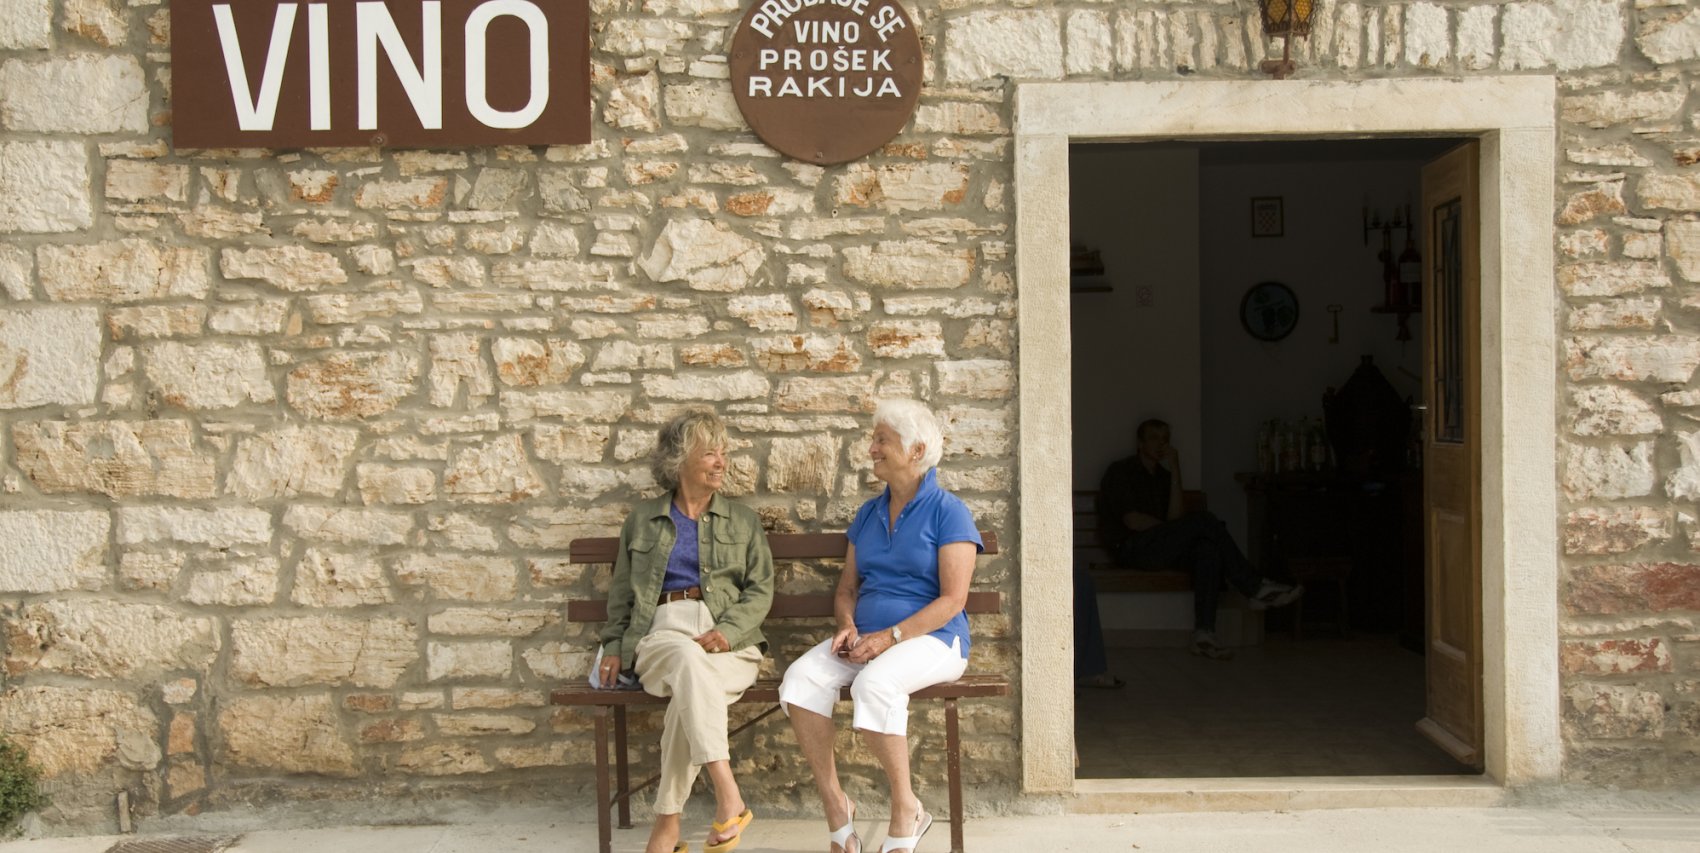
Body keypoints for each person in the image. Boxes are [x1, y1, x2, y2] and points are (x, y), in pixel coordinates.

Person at [780, 399, 983, 853]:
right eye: (874, 439)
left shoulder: (948, 512)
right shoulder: (869, 514)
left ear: (916, 450)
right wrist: (847, 625)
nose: (871, 449)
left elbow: (953, 599)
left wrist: (890, 637)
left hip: (935, 641)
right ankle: (837, 810)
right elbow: (847, 589)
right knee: (799, 681)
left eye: (881, 440)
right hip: (866, 640)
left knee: (875, 685)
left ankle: (905, 807)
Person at [597, 410, 775, 853]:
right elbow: (622, 594)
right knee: (689, 663)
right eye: (710, 453)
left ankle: (667, 825)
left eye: (724, 453)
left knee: (690, 693)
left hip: (731, 642)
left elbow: (760, 591)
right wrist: (615, 647)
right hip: (663, 634)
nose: (722, 462)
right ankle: (727, 793)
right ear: (679, 461)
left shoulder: (743, 522)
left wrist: (730, 631)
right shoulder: (642, 521)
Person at [1098, 418, 1302, 660]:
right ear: (1140, 443)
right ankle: (1254, 587)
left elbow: (1175, 516)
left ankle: (1204, 635)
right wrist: (1180, 529)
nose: (1160, 444)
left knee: (1208, 550)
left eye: (1165, 440)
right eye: (1153, 438)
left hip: (1159, 548)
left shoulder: (1163, 477)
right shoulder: (1121, 471)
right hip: (1131, 548)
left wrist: (1175, 468)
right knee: (1202, 521)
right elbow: (1133, 521)